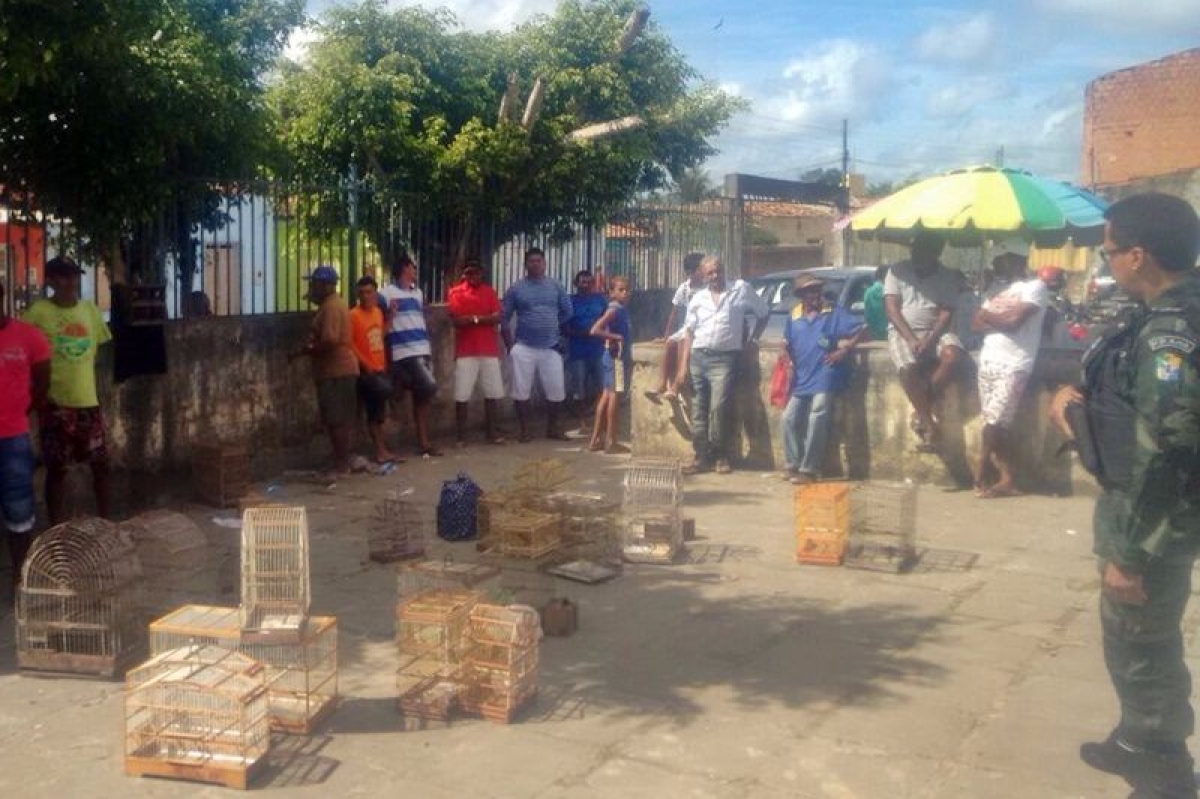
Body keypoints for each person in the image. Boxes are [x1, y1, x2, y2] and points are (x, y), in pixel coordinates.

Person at [1049, 192, 1200, 799]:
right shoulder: (1167, 313)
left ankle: (1162, 771)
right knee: (1138, 636)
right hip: (1153, 511)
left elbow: (1170, 444)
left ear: (1139, 255)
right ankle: (1140, 738)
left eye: (1110, 251)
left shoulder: (1170, 331)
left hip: (1153, 523)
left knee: (1142, 641)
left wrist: (1132, 552)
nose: (1107, 261)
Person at [23, 256, 113, 523]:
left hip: (87, 401)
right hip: (55, 404)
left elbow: (100, 352)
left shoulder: (90, 311)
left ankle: (107, 522)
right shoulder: (37, 313)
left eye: (74, 275)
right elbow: (21, 349)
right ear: (50, 281)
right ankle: (57, 530)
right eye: (63, 276)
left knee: (101, 465)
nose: (70, 282)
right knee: (57, 470)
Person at [675, 255, 769, 475]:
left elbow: (763, 313)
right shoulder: (698, 299)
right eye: (709, 273)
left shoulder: (740, 290)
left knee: (718, 409)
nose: (715, 276)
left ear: (724, 270)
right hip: (698, 358)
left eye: (718, 271)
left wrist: (752, 341)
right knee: (698, 410)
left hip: (724, 360)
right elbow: (688, 333)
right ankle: (700, 457)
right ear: (703, 275)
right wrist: (682, 367)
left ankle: (720, 455)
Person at [971, 247, 1051, 498]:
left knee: (994, 421)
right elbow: (975, 324)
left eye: (1002, 261)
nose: (997, 266)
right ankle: (1008, 479)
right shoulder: (994, 290)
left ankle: (980, 466)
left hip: (1015, 362)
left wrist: (989, 316)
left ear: (1017, 262)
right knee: (997, 425)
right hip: (988, 359)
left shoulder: (1035, 288)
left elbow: (1014, 322)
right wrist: (994, 316)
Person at [780, 273, 868, 484]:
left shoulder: (834, 312)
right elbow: (785, 341)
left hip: (826, 372)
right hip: (802, 375)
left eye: (817, 290)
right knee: (788, 419)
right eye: (810, 291)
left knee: (817, 413)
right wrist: (786, 356)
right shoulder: (794, 315)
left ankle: (809, 469)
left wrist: (844, 351)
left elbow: (863, 329)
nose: (815, 295)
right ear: (801, 295)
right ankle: (794, 463)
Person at [883, 231, 966, 451]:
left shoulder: (946, 276)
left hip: (935, 331)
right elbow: (892, 309)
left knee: (952, 355)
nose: (919, 253)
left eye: (927, 249)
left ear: (937, 252)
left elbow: (946, 312)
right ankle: (930, 425)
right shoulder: (897, 271)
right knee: (908, 369)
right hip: (902, 332)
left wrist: (930, 339)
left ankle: (922, 408)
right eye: (917, 248)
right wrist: (910, 339)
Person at [0, 280, 50, 581]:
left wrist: (22, 410)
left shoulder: (29, 337)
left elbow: (43, 383)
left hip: (13, 440)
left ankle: (22, 580)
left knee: (19, 513)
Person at [290, 265, 359, 474]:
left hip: (336, 370)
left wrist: (305, 350)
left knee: (336, 419)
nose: (312, 287)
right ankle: (340, 459)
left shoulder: (331, 307)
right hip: (335, 370)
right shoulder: (331, 305)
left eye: (315, 284)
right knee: (336, 419)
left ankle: (341, 463)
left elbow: (329, 340)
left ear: (326, 285)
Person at [502, 247, 573, 442]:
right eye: (531, 261)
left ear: (545, 263)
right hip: (524, 347)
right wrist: (510, 346)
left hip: (551, 347)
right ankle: (525, 431)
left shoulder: (556, 286)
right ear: (526, 264)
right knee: (521, 391)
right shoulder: (516, 289)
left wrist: (553, 326)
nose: (535, 264)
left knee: (556, 390)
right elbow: (504, 318)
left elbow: (568, 311)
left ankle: (553, 429)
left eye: (539, 261)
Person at [379, 255, 441, 457]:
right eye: (413, 268)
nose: (415, 271)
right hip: (404, 350)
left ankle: (423, 441)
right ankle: (396, 397)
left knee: (421, 396)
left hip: (422, 348)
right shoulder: (387, 294)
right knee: (429, 386)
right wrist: (390, 314)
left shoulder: (418, 293)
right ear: (405, 268)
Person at [446, 258, 506, 446]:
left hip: (489, 349)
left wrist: (473, 319)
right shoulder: (456, 292)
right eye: (470, 272)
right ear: (464, 274)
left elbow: (497, 318)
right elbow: (457, 321)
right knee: (462, 394)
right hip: (466, 351)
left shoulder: (490, 292)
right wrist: (483, 319)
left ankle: (492, 433)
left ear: (482, 273)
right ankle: (461, 437)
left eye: (477, 272)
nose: (474, 276)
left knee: (492, 392)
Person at [348, 275, 397, 465]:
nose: (365, 296)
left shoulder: (377, 312)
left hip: (379, 367)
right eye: (361, 293)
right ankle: (380, 450)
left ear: (375, 293)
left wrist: (391, 316)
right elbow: (350, 342)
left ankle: (381, 449)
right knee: (374, 411)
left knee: (379, 411)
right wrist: (364, 363)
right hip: (366, 371)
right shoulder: (353, 315)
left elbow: (380, 334)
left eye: (369, 292)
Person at [588, 276, 632, 454]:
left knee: (606, 396)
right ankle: (611, 441)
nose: (625, 293)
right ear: (611, 293)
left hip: (611, 357)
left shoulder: (620, 309)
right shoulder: (615, 309)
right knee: (614, 396)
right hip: (616, 359)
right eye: (620, 290)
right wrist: (617, 337)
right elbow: (595, 330)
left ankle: (596, 439)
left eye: (627, 289)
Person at [654, 252, 706, 396]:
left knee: (683, 343)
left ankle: (678, 385)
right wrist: (666, 335)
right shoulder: (684, 289)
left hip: (701, 328)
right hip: (687, 327)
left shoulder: (707, 288)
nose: (704, 272)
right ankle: (662, 383)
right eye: (700, 269)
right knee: (670, 343)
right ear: (690, 272)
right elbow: (674, 313)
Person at [564, 270, 608, 430]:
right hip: (578, 351)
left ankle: (600, 419)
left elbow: (608, 320)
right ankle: (582, 422)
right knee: (579, 389)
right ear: (576, 284)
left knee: (603, 386)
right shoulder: (569, 301)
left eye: (589, 282)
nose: (586, 285)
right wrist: (580, 333)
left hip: (599, 350)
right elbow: (563, 327)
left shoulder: (600, 300)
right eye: (583, 282)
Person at [862, 265, 890, 341]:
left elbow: (866, 311)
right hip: (888, 332)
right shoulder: (889, 292)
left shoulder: (868, 291)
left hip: (873, 332)